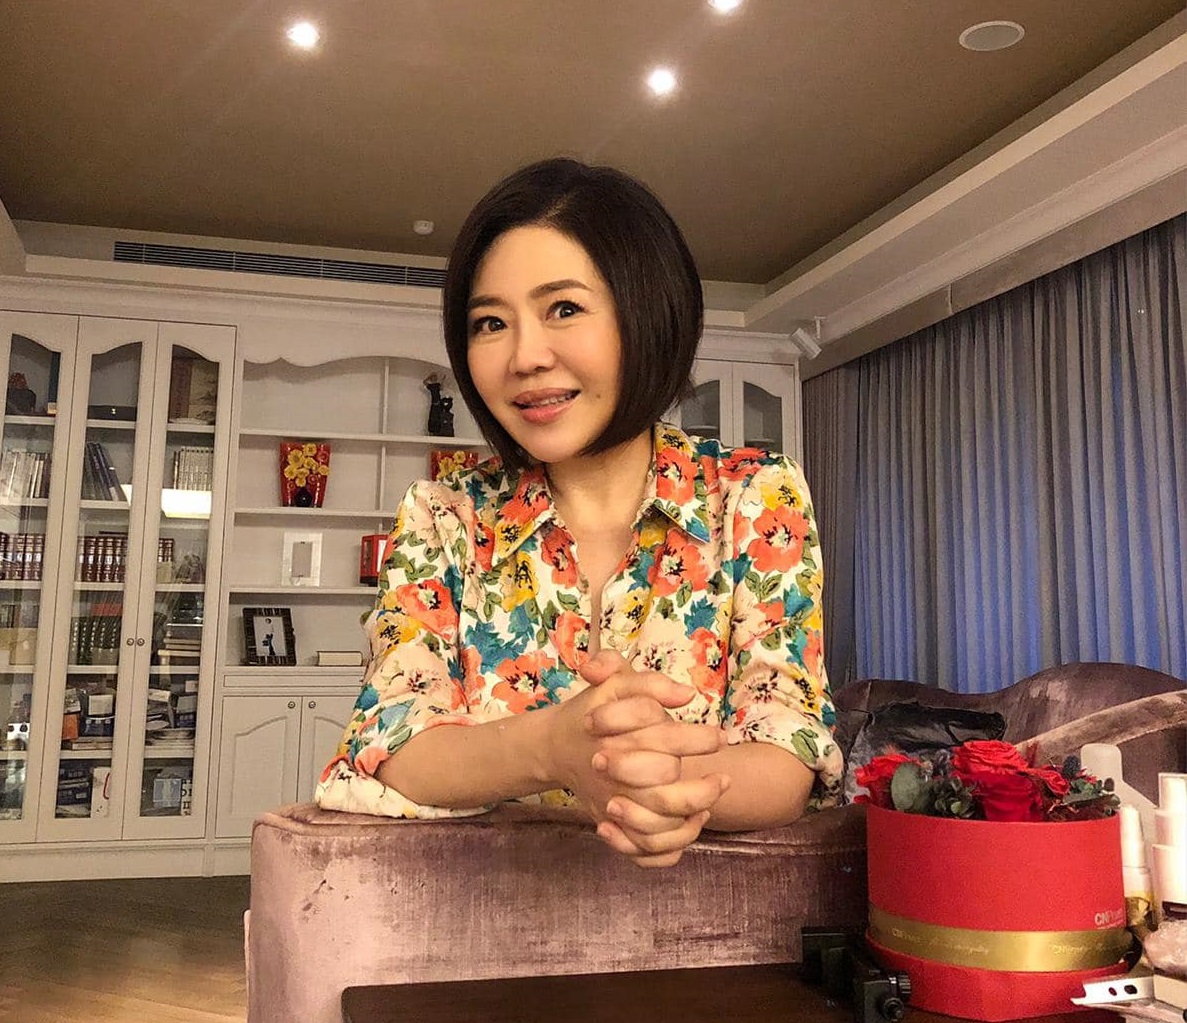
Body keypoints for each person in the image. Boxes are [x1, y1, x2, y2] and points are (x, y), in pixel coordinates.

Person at [316, 157, 841, 867]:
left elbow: (786, 750)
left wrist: (648, 786)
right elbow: (394, 746)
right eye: (490, 322)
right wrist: (555, 747)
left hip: (708, 925)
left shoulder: (755, 497)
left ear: (646, 313)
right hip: (472, 919)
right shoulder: (442, 516)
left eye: (563, 308)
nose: (525, 356)